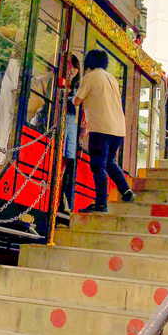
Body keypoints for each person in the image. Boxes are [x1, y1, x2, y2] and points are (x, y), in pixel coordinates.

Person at [74, 48, 134, 213]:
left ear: (89, 63)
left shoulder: (90, 77)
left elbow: (77, 101)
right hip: (118, 129)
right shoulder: (112, 78)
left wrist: (68, 96)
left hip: (100, 128)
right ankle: (125, 190)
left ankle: (101, 204)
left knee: (97, 166)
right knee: (109, 162)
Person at [60, 54, 80, 212]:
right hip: (60, 123)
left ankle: (60, 195)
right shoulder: (56, 81)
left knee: (66, 160)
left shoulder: (78, 88)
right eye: (69, 66)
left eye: (74, 66)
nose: (72, 70)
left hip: (71, 126)